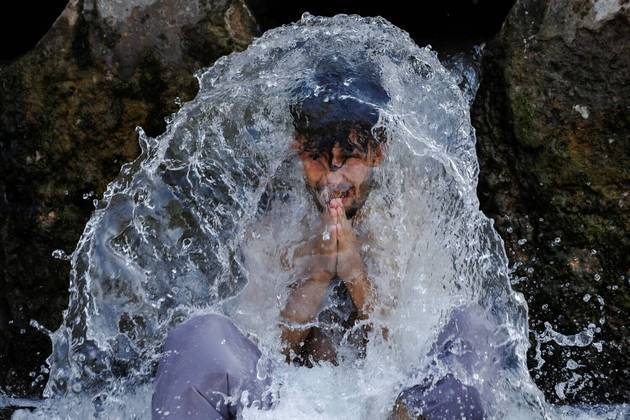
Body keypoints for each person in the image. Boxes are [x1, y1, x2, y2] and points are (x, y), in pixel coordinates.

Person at [152, 60, 492, 420]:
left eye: (349, 159)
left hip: (392, 411)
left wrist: (355, 274)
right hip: (291, 408)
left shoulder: (411, 224)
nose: (332, 178)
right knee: (200, 335)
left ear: (378, 152)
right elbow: (255, 357)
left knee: (474, 328)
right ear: (299, 149)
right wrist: (314, 278)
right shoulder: (273, 229)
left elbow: (414, 361)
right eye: (318, 159)